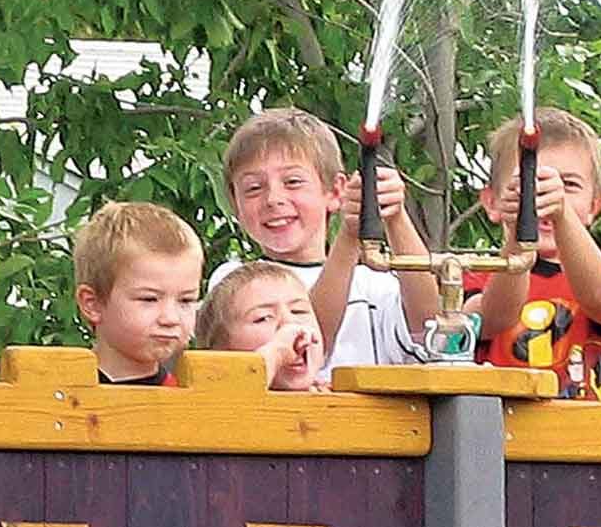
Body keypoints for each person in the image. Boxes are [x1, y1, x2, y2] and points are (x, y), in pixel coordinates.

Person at [208, 107, 438, 374]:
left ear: (335, 190)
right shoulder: (232, 282)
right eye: (253, 188)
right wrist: (350, 235)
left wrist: (395, 216)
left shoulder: (375, 284)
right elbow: (310, 343)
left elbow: (428, 326)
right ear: (235, 205)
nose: (273, 199)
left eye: (293, 182)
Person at [463, 107, 601, 400]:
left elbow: (600, 298)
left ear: (594, 206)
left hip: (589, 442)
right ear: (492, 202)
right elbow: (491, 319)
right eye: (527, 184)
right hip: (501, 441)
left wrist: (562, 215)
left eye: (569, 185)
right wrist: (518, 233)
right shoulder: (476, 280)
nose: (544, 197)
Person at [73, 200, 203, 386]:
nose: (171, 318)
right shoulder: (49, 395)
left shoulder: (197, 404)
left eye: (185, 300)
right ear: (92, 304)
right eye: (149, 299)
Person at [195, 261, 325, 390]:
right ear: (221, 351)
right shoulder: (214, 399)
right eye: (263, 318)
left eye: (299, 311)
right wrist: (277, 353)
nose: (290, 324)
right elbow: (235, 401)